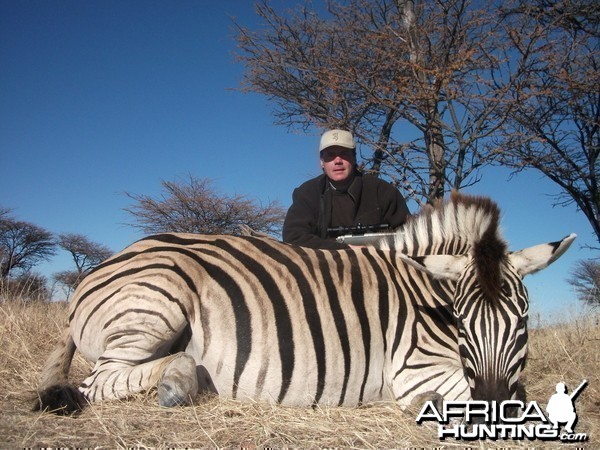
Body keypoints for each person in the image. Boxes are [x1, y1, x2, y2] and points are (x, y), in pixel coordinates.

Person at [282, 129, 410, 249]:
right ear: (322, 161)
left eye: (343, 154)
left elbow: (409, 235)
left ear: (354, 157)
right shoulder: (307, 193)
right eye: (330, 155)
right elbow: (293, 237)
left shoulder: (383, 191)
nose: (338, 160)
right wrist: (345, 250)